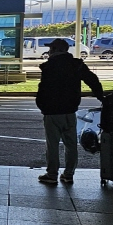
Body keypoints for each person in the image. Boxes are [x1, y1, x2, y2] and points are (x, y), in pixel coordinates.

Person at [35, 38, 104, 185]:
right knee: (71, 144)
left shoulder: (49, 66)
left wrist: (42, 106)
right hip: (70, 109)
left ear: (55, 50)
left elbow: (43, 89)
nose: (49, 51)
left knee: (52, 145)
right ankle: (68, 174)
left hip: (52, 112)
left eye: (51, 48)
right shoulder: (76, 65)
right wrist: (100, 96)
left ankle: (52, 174)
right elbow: (92, 79)